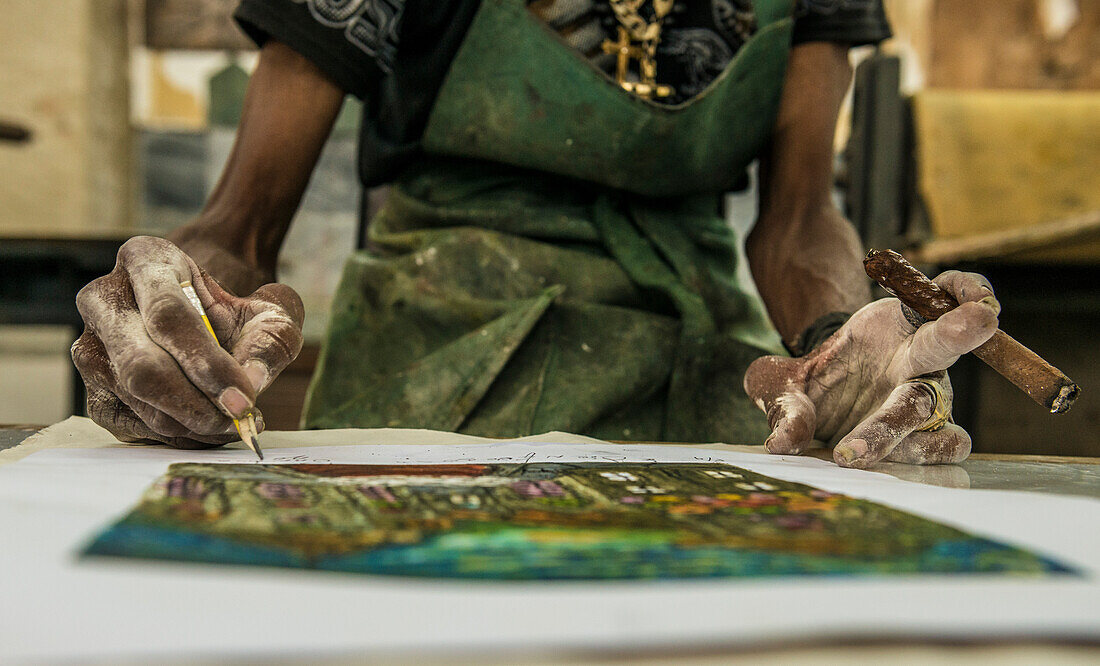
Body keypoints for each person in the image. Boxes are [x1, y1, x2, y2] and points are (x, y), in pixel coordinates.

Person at [71, 0, 1001, 467]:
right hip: (432, 362)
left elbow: (797, 220)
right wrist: (182, 300)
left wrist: (835, 342)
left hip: (706, 359)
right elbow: (244, 218)